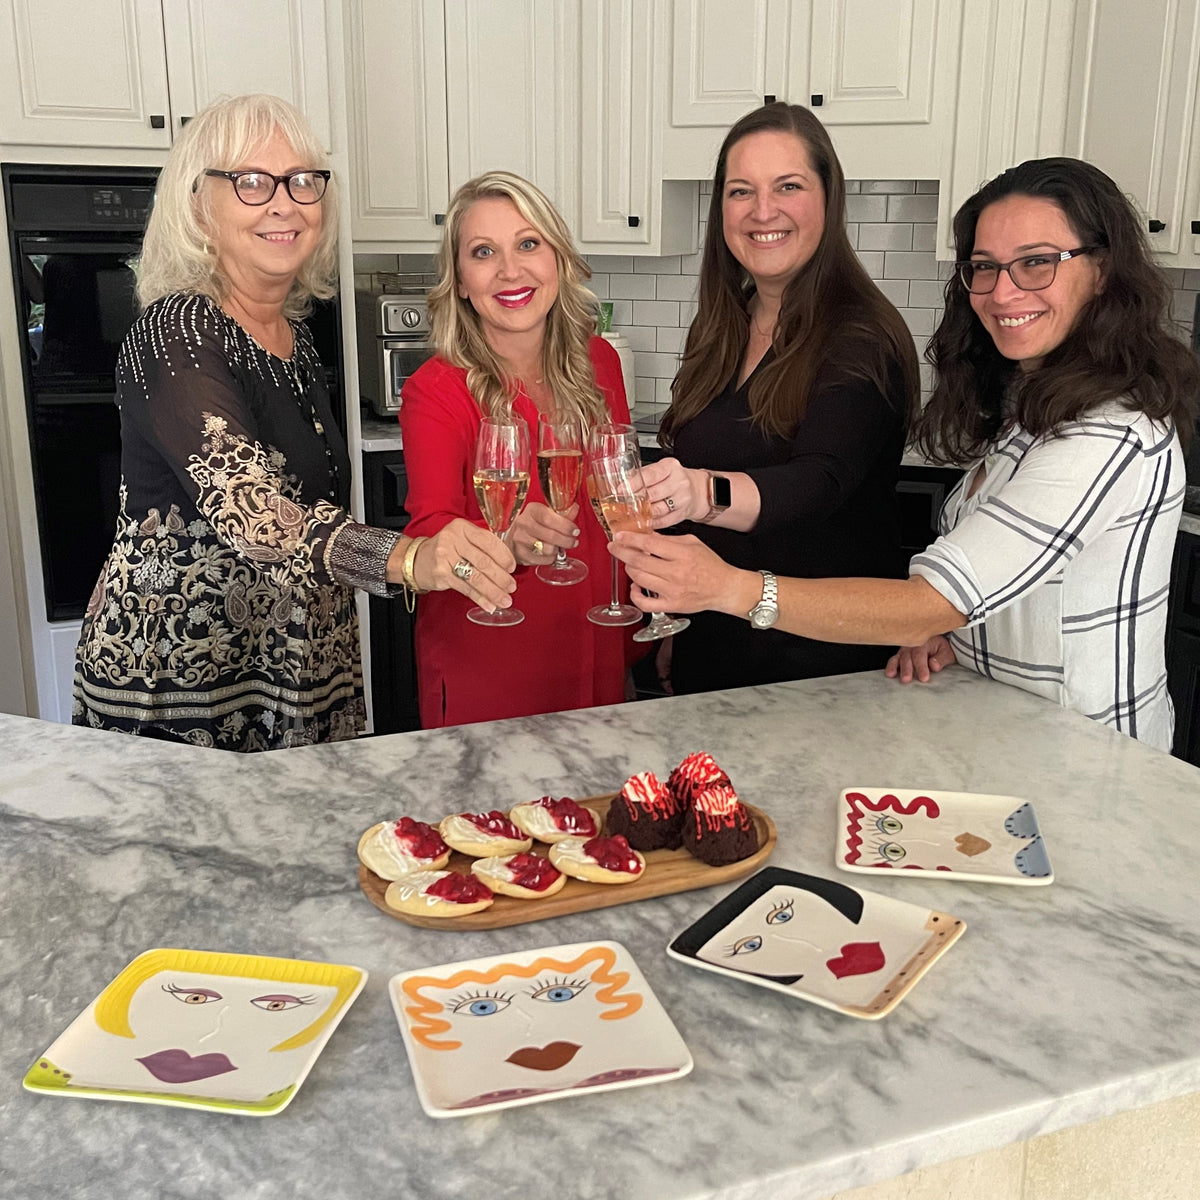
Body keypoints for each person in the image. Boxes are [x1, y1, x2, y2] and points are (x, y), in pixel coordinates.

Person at [611, 157, 1200, 751]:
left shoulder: (1108, 435)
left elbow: (924, 597)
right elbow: (1013, 580)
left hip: (1091, 760)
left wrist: (728, 589)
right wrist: (961, 635)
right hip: (1009, 732)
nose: (1003, 290)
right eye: (985, 267)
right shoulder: (1033, 406)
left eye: (1037, 262)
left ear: (1102, 270)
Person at [73, 94, 515, 752]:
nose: (285, 202)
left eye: (303, 180)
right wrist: (407, 556)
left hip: (291, 667)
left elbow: (313, 503)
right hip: (182, 685)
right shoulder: (178, 329)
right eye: (251, 182)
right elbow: (252, 513)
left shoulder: (293, 336)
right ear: (199, 204)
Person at [635, 101, 919, 695]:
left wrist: (698, 491)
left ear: (827, 197)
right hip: (712, 648)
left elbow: (819, 482)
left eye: (788, 186)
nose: (763, 211)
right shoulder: (723, 326)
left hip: (817, 669)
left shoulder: (861, 335)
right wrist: (671, 620)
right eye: (742, 192)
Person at [400, 171, 634, 728]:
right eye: (484, 252)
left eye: (528, 244)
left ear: (557, 259)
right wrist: (507, 541)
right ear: (459, 280)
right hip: (489, 664)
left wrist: (645, 624)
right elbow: (428, 534)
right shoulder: (435, 390)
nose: (510, 270)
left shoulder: (600, 362)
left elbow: (618, 508)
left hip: (597, 647)